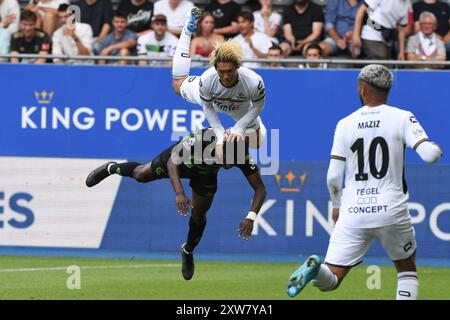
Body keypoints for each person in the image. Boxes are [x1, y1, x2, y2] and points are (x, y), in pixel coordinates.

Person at [286, 64, 443, 300]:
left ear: (362, 89)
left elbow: (332, 176)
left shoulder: (345, 123)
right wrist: (436, 149)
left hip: (353, 210)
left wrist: (337, 205)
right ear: (388, 90)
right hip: (390, 209)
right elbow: (429, 156)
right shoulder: (402, 117)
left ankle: (316, 271)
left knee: (332, 279)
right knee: (406, 268)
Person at [85, 128, 267, 281]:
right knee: (141, 175)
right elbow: (173, 162)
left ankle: (187, 251)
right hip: (179, 162)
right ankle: (111, 168)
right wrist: (179, 193)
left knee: (199, 215)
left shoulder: (240, 153)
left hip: (205, 174)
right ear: (221, 147)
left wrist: (251, 217)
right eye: (227, 160)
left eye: (233, 162)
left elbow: (260, 189)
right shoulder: (204, 139)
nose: (229, 165)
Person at [172, 8, 267, 156]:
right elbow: (208, 107)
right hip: (213, 101)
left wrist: (239, 128)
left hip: (240, 107)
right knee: (177, 84)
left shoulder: (253, 81)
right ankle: (187, 30)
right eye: (221, 72)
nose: (226, 76)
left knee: (257, 143)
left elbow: (258, 105)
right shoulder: (207, 79)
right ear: (215, 68)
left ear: (238, 66)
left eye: (230, 71)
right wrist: (220, 135)